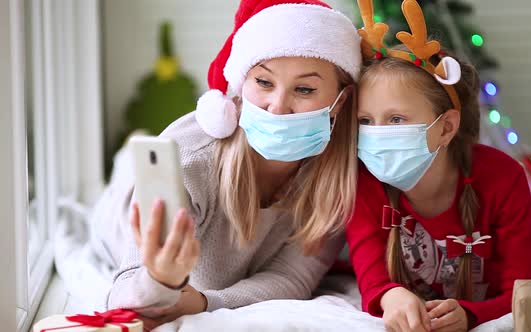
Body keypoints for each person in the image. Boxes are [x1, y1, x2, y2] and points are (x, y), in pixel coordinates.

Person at [105, 0, 362, 329]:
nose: (277, 107)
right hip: (117, 212)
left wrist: (205, 302)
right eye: (264, 83)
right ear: (241, 84)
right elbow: (123, 292)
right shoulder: (189, 159)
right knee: (130, 163)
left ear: (341, 100)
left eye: (304, 89)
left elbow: (290, 278)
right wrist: (160, 280)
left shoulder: (338, 178)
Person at [346, 1, 531, 331]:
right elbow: (373, 281)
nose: (377, 134)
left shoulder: (503, 178)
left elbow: (525, 291)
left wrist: (470, 314)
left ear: (446, 127)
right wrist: (392, 297)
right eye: (365, 121)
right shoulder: (364, 182)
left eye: (395, 119)